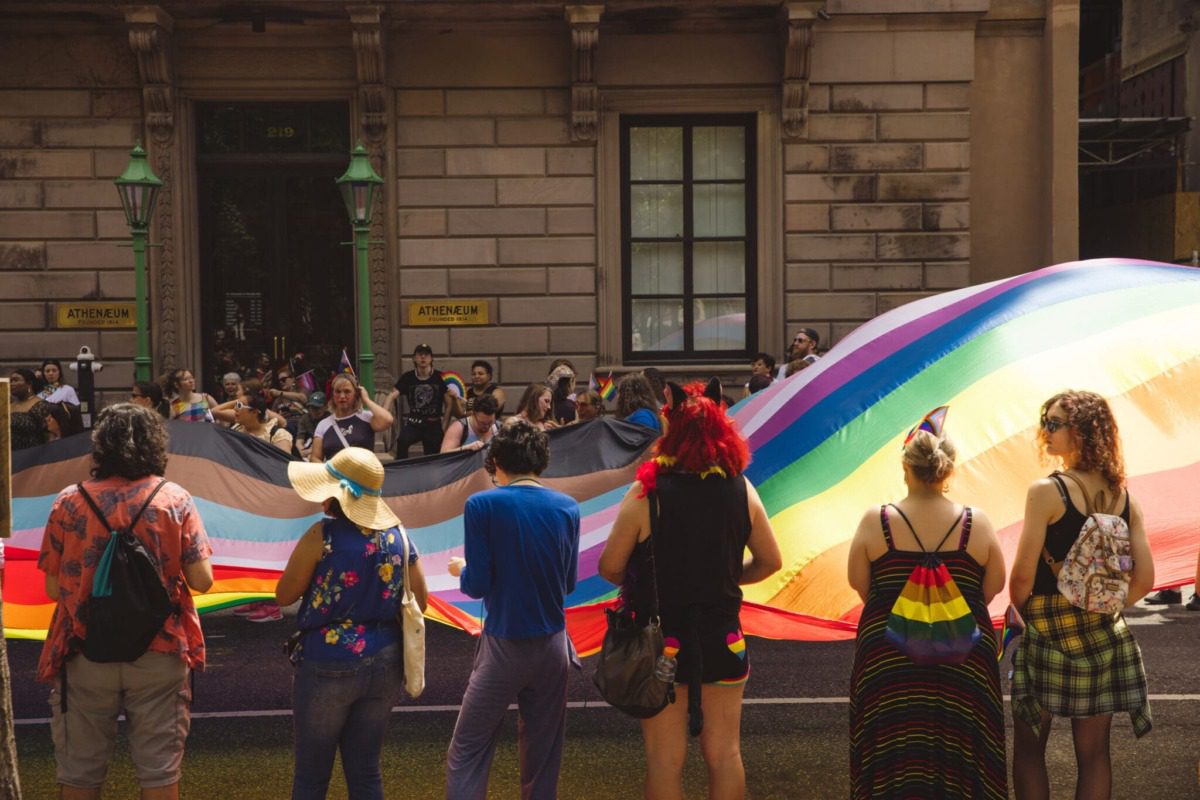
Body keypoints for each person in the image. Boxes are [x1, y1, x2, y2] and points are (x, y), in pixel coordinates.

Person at [598, 380, 782, 800]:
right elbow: (771, 561)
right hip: (724, 636)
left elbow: (610, 567)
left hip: (663, 642)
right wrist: (724, 577)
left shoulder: (648, 494)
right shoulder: (741, 489)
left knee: (665, 761)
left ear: (671, 430)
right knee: (726, 753)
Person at [37, 403, 214, 800]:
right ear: (155, 446)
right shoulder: (175, 500)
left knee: (79, 773)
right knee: (158, 771)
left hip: (84, 652)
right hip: (159, 649)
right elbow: (202, 581)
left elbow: (52, 589)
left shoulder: (69, 502)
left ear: (100, 447)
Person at [846, 414, 1007, 799]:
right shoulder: (976, 522)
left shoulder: (877, 520)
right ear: (948, 468)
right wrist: (946, 612)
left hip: (889, 659)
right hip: (964, 662)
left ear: (906, 468)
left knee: (893, 752)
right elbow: (993, 586)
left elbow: (860, 584)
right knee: (960, 753)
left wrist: (907, 610)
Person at [1009, 390, 1155, 800]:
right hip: (1104, 635)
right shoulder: (1125, 499)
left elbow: (1021, 578)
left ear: (1082, 433)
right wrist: (1101, 601)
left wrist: (1023, 613)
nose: (1046, 432)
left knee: (1029, 751)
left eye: (1054, 424)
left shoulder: (1046, 492)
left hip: (1047, 632)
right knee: (1094, 755)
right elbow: (1143, 581)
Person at [276, 446, 428, 800]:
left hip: (328, 660)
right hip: (387, 658)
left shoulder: (322, 536)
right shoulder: (398, 537)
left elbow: (284, 595)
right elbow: (421, 600)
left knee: (312, 777)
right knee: (366, 772)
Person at [445, 419, 581, 800]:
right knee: (543, 756)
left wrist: (461, 570)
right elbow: (567, 583)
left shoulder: (482, 504)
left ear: (497, 461)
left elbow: (477, 585)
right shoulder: (568, 507)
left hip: (505, 644)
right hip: (554, 645)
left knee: (469, 749)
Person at [310, 375, 394, 463]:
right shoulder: (323, 425)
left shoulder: (366, 417)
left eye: (347, 391)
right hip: (335, 475)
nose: (342, 396)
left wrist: (366, 400)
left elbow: (387, 420)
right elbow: (315, 458)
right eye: (338, 392)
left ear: (356, 394)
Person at [387, 344, 451, 458]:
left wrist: (444, 425)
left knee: (432, 457)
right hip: (414, 423)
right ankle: (402, 470)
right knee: (402, 441)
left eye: (426, 355)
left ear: (431, 359)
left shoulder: (441, 377)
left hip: (433, 424)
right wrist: (384, 412)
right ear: (414, 359)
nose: (423, 357)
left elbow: (449, 404)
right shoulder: (408, 377)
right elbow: (392, 395)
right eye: (419, 355)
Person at [295, 391, 329, 461]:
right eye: (312, 407)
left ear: (325, 407)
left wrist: (309, 451)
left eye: (318, 408)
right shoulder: (305, 418)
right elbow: (299, 440)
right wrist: (301, 451)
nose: (315, 411)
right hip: (307, 448)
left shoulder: (329, 420)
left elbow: (328, 443)